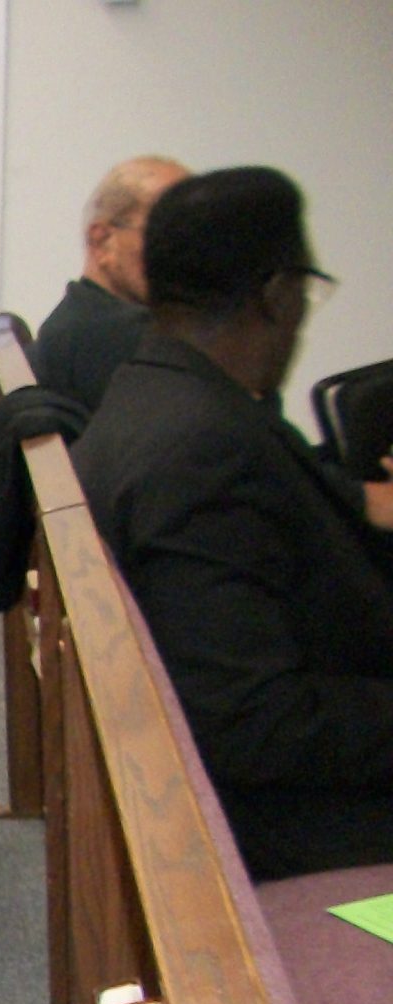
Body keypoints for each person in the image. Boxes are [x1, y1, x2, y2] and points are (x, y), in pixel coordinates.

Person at [74, 166, 393, 882]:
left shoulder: (150, 394)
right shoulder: (206, 452)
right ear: (276, 295)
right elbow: (255, 723)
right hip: (296, 825)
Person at [31, 157, 190, 413]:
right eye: (168, 233)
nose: (186, 253)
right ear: (102, 241)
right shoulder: (134, 339)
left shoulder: (67, 326)